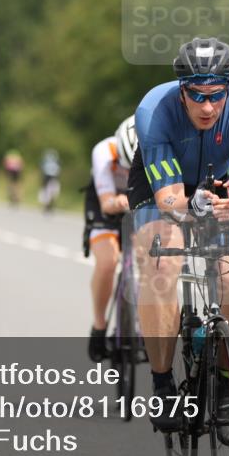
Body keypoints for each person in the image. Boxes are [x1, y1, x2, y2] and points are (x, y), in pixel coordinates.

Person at [128, 37, 229, 432]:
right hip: (163, 186)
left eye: (216, 96)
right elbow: (169, 196)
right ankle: (162, 384)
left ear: (228, 90)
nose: (208, 107)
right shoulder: (154, 110)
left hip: (220, 178)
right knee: (161, 268)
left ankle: (224, 381)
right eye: (197, 96)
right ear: (181, 91)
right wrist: (191, 207)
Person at [85, 116, 138, 362]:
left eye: (132, 167)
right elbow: (107, 203)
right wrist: (118, 202)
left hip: (139, 201)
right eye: (123, 166)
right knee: (107, 262)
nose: (127, 172)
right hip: (105, 202)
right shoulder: (103, 151)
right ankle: (99, 324)